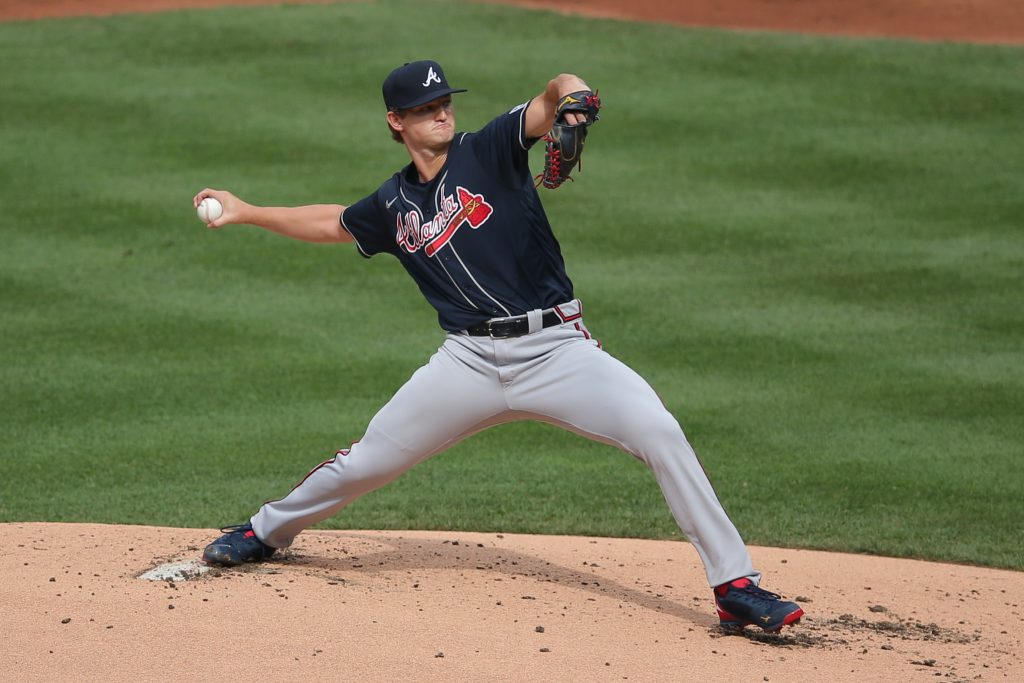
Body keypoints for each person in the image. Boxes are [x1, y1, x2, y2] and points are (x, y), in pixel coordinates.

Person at [192, 60, 803, 633]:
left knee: (658, 430)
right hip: (468, 363)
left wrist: (574, 103)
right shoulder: (393, 204)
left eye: (444, 101)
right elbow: (332, 222)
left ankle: (734, 587)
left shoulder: (490, 149)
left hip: (558, 351)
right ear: (395, 122)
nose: (440, 112)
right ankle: (264, 531)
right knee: (368, 462)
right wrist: (247, 212)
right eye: (424, 106)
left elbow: (554, 91)